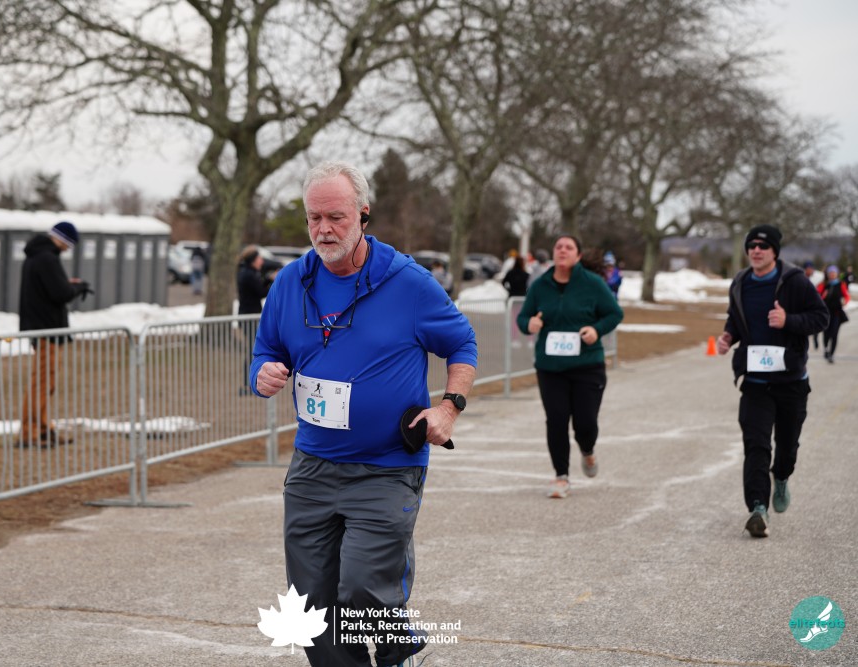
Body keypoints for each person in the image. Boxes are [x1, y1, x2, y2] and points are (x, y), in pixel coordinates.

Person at [251, 162, 477, 667]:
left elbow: (462, 343)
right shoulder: (290, 283)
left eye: (336, 216)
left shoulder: (408, 283)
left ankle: (400, 648)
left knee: (362, 588)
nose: (324, 230)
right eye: (314, 218)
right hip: (312, 466)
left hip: (387, 466)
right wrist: (261, 372)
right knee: (310, 606)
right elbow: (265, 349)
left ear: (363, 215)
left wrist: (449, 407)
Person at [716, 225, 828, 538]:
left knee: (787, 447)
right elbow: (736, 317)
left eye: (763, 246)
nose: (756, 250)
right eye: (751, 245)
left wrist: (788, 320)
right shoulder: (741, 282)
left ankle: (781, 477)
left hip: (791, 381)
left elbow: (821, 317)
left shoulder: (795, 282)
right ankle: (758, 508)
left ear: (775, 251)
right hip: (754, 381)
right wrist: (728, 336)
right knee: (756, 444)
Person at [517, 235, 623, 499]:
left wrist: (596, 330)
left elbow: (614, 313)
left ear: (578, 255)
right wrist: (529, 324)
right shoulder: (541, 285)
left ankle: (587, 450)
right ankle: (561, 476)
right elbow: (523, 317)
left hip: (587, 365)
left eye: (569, 247)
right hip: (550, 367)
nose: (562, 250)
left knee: (585, 423)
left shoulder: (592, 284)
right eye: (558, 247)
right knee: (556, 420)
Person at [18, 221, 90, 448]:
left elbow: (51, 288)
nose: (68, 249)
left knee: (45, 382)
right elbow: (60, 293)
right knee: (41, 383)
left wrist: (68, 285)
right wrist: (78, 287)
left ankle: (41, 428)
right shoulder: (47, 258)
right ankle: (31, 432)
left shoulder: (37, 255)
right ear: (61, 239)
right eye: (69, 244)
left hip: (42, 327)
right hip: (47, 329)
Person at [237, 246, 272, 395]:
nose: (262, 261)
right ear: (253, 260)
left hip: (248, 315)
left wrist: (267, 279)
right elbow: (261, 292)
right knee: (253, 351)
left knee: (252, 350)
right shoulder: (249, 274)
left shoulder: (246, 272)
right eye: (259, 258)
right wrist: (272, 281)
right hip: (248, 317)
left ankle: (249, 384)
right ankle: (248, 384)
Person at [817, 264, 850, 363]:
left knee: (834, 334)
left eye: (834, 273)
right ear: (827, 274)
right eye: (830, 273)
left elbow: (847, 296)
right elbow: (816, 297)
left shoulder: (841, 284)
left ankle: (831, 354)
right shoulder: (823, 285)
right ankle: (826, 349)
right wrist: (823, 296)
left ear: (837, 274)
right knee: (826, 333)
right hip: (825, 314)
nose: (832, 275)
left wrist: (845, 301)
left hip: (837, 313)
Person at [803, 261, 821, 350]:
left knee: (815, 323)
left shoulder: (817, 279)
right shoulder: (800, 278)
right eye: (808, 269)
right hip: (803, 306)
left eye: (811, 269)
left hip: (813, 305)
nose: (810, 270)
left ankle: (815, 337)